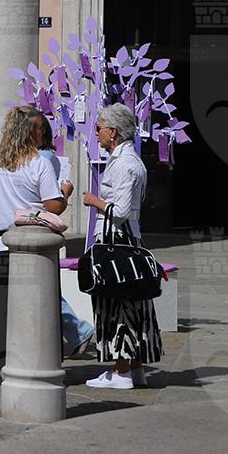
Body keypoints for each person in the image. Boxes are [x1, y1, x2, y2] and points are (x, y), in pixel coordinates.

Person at [0, 106, 65, 384]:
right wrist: (64, 194)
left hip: (0, 241)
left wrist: (6, 202)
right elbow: (53, 205)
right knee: (36, 307)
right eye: (39, 127)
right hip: (31, 244)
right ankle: (33, 363)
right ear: (27, 131)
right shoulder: (39, 163)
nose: (43, 133)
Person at [82, 103, 161, 389]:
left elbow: (121, 211)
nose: (97, 133)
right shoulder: (127, 160)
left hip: (119, 241)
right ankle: (135, 368)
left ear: (113, 132)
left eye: (99, 128)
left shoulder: (126, 164)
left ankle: (121, 371)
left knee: (119, 303)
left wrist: (95, 201)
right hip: (126, 240)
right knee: (132, 302)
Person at [37, 119, 95, 357]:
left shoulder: (42, 158)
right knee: (41, 287)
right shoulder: (40, 157)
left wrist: (64, 195)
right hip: (34, 224)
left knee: (41, 288)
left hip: (38, 225)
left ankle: (76, 331)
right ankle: (75, 332)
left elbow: (50, 199)